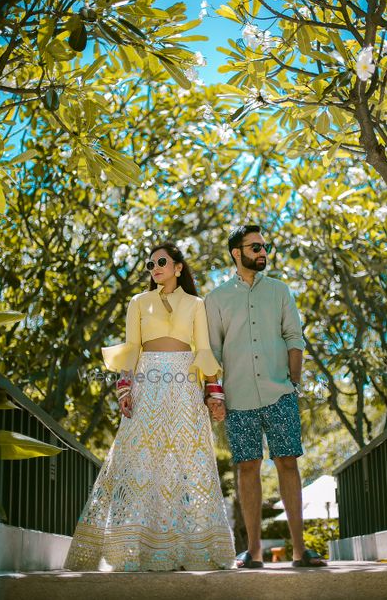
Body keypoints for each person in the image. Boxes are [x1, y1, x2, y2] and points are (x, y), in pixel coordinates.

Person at [65, 241, 235, 572]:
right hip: (148, 383)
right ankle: (130, 549)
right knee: (139, 459)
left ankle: (194, 549)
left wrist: (215, 395)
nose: (154, 268)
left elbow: (203, 350)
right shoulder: (138, 302)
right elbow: (131, 347)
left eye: (161, 262)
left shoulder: (196, 304)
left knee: (189, 460)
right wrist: (124, 389)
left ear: (178, 267)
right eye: (150, 264)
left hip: (186, 386)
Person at [205, 224, 327, 569]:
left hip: (280, 394)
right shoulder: (216, 300)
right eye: (255, 247)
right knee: (247, 467)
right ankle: (254, 552)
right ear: (236, 253)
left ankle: (301, 551)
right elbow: (212, 352)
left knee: (288, 462)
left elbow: (294, 337)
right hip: (238, 397)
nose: (263, 253)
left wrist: (293, 381)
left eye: (264, 246)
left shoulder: (279, 291)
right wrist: (215, 395)